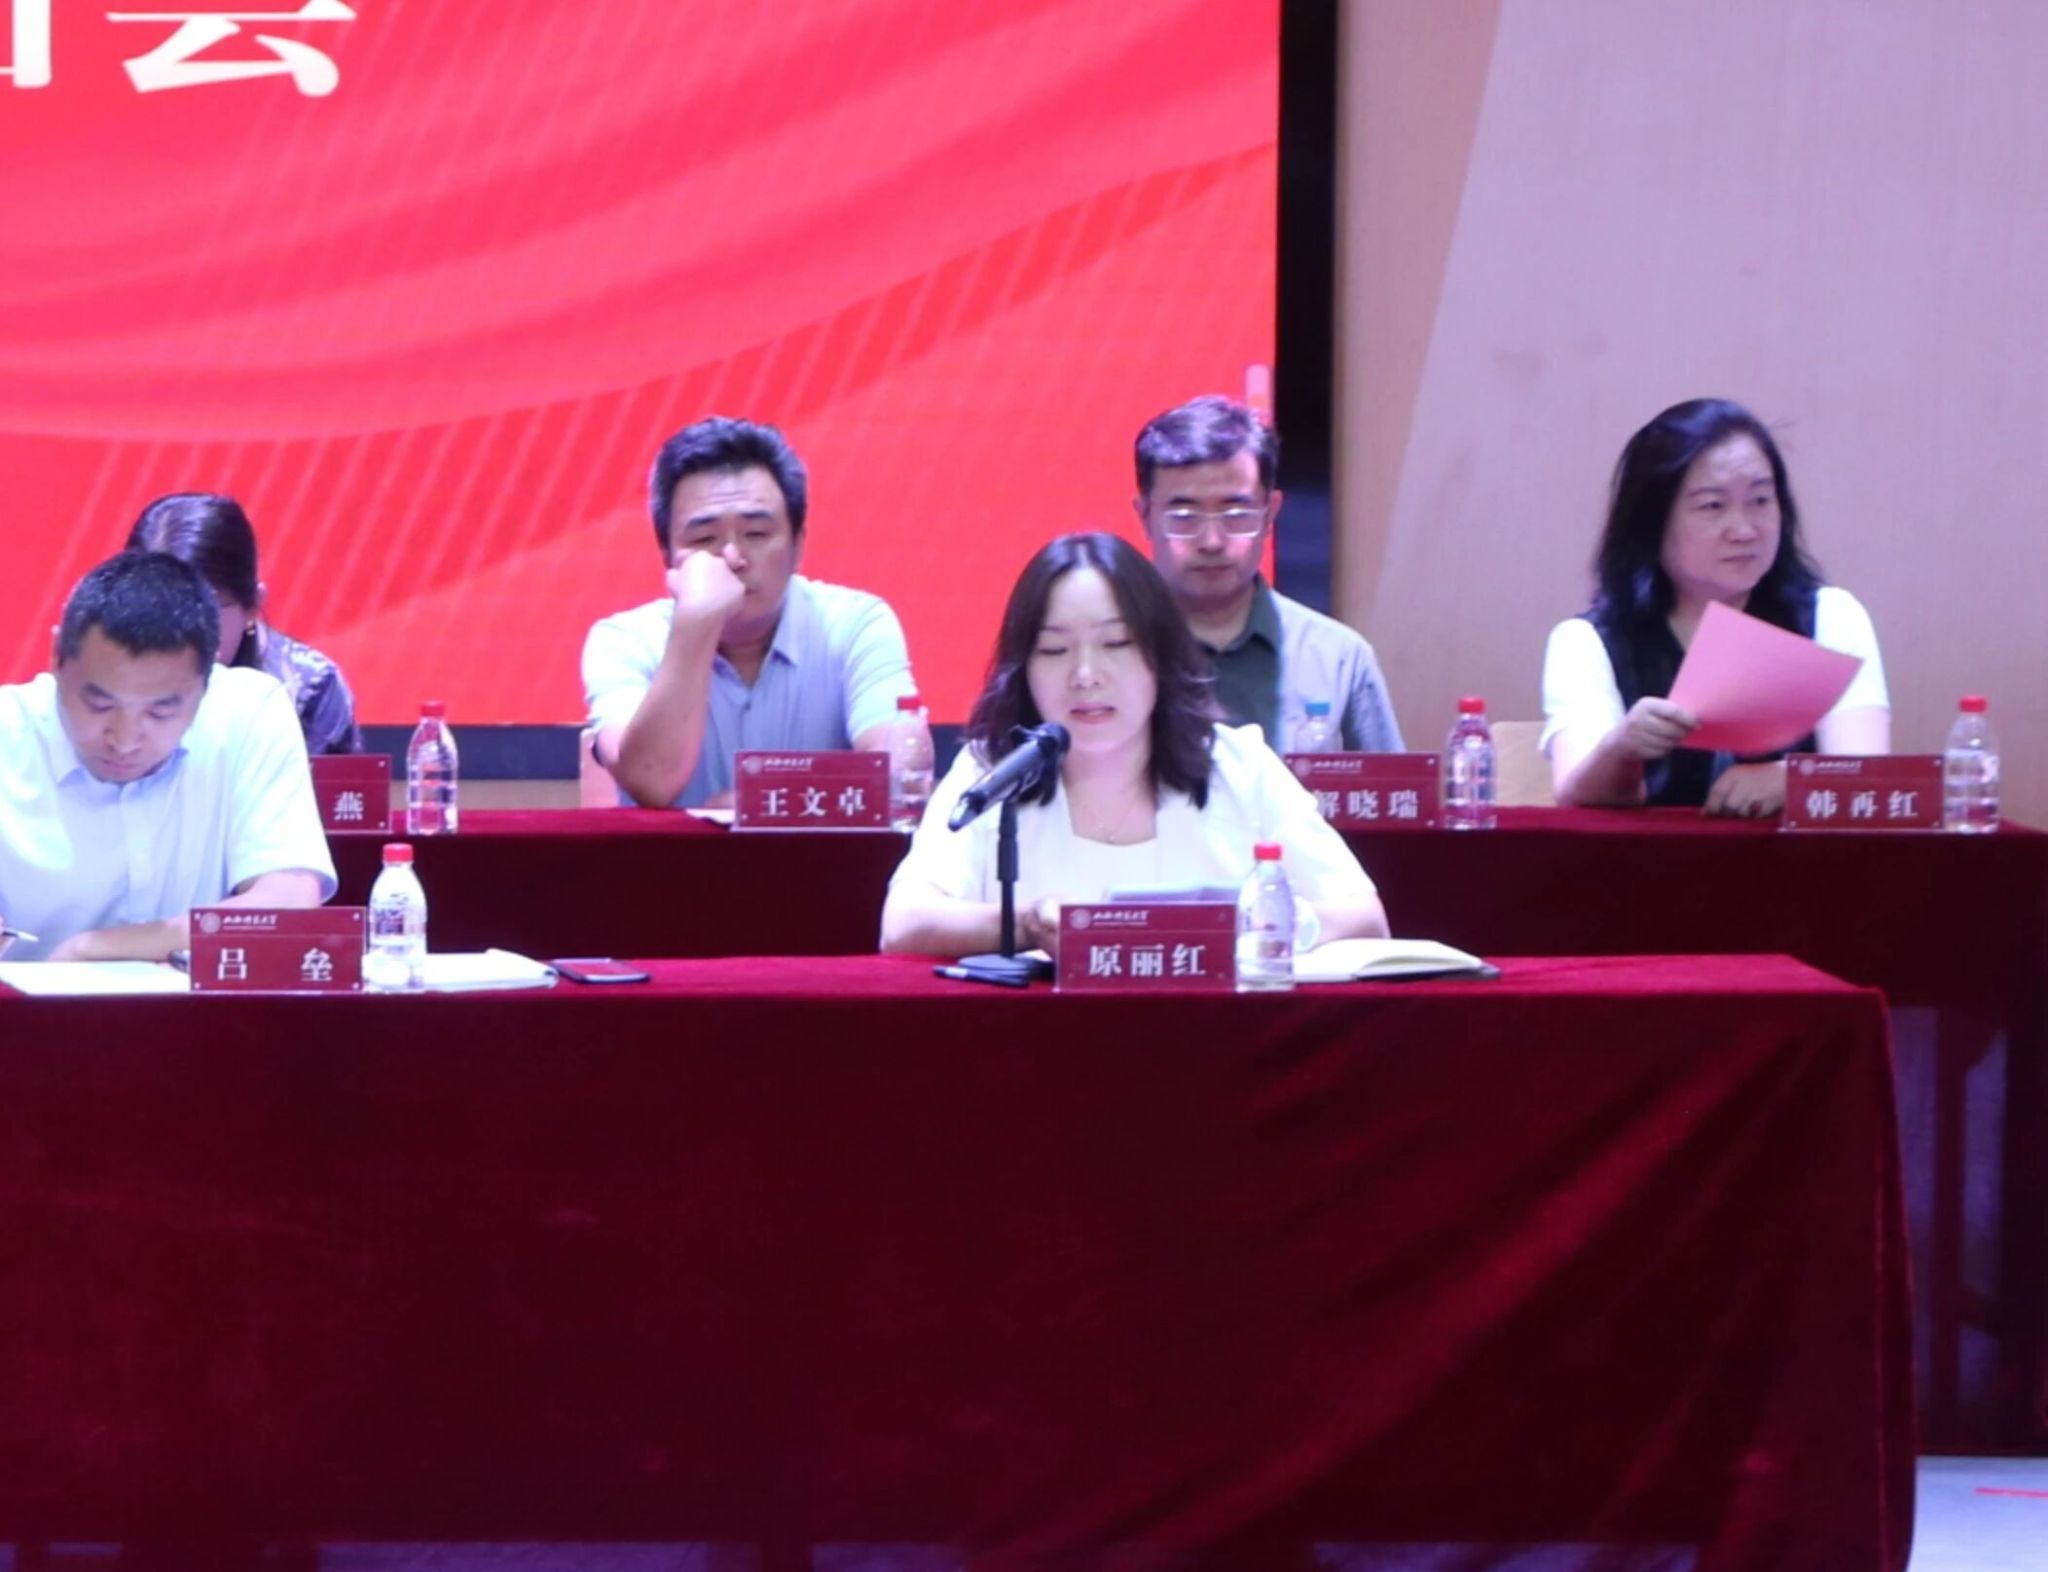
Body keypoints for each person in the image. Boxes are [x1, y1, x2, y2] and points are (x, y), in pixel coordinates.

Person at [881, 532, 1387, 958]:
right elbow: (902, 925)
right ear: (1024, 669)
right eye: (1054, 650)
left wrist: (1268, 924)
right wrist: (1029, 925)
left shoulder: (1239, 766)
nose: (1085, 675)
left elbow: (1365, 915)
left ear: (1159, 655)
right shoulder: (995, 771)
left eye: (1116, 644)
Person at [1541, 398, 1890, 816]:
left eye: (1760, 500)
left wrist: (1792, 780)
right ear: (1651, 522)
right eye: (1713, 506)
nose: (1744, 530)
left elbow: (1869, 780)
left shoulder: (1829, 616)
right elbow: (1575, 796)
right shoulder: (1586, 642)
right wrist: (1622, 749)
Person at [0, 551, 336, 963]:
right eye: (100, 705)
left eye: (160, 712)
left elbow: (290, 900)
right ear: (56, 657)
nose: (125, 740)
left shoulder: (249, 712)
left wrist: (89, 949)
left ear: (207, 681)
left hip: (192, 1005)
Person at [583, 416, 927, 808]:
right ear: (667, 556)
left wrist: (754, 804)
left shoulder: (857, 625)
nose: (733, 557)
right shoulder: (622, 641)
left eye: (757, 534)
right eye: (704, 538)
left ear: (798, 545)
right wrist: (697, 622)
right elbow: (652, 780)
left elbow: (902, 781)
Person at [1134, 394, 1402, 752]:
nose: (1212, 541)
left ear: (1270, 513)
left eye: (1236, 515)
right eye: (1184, 517)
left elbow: (1389, 788)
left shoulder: (1338, 658)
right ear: (1144, 516)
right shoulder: (1104, 650)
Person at [124, 492, 363, 756]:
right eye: (156, 608)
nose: (177, 633)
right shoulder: (99, 680)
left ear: (251, 606)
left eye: (202, 610)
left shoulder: (312, 688)